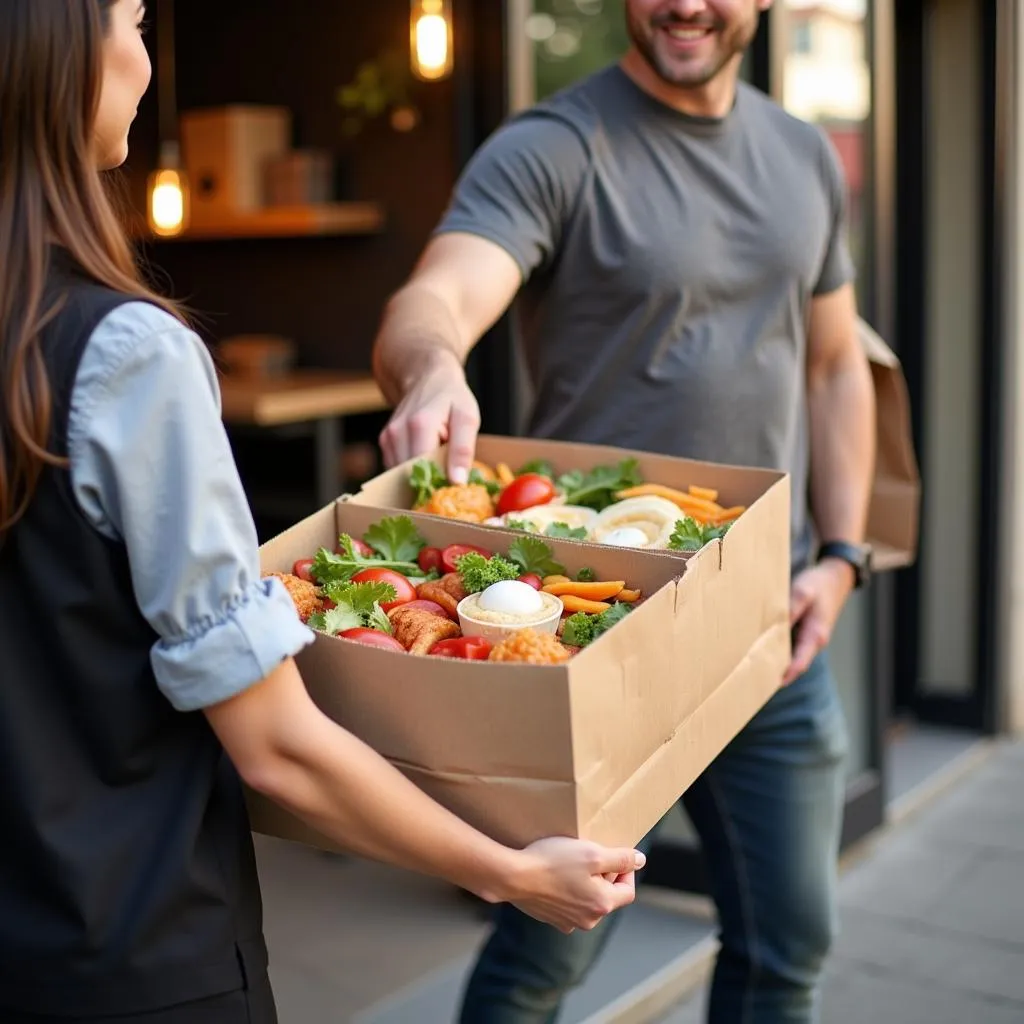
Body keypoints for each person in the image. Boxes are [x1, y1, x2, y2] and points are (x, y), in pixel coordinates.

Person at [0, 2, 647, 1021]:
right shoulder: (123, 355)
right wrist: (509, 869)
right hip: (133, 958)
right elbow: (277, 745)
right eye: (129, 18)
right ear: (57, 57)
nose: (142, 55)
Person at [371, 0, 878, 1020]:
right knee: (540, 957)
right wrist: (430, 368)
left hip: (762, 631)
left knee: (788, 947)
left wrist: (841, 554)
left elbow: (834, 364)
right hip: (597, 642)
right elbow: (436, 299)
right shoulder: (554, 147)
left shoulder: (799, 155)